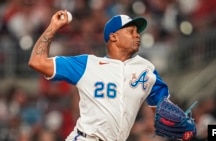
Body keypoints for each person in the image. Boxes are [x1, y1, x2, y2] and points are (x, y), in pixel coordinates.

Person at [28, 10, 170, 141]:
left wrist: (176, 126)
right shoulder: (88, 64)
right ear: (113, 37)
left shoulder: (146, 69)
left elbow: (163, 111)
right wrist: (53, 26)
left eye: (137, 32)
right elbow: (37, 61)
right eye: (131, 31)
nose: (137, 35)